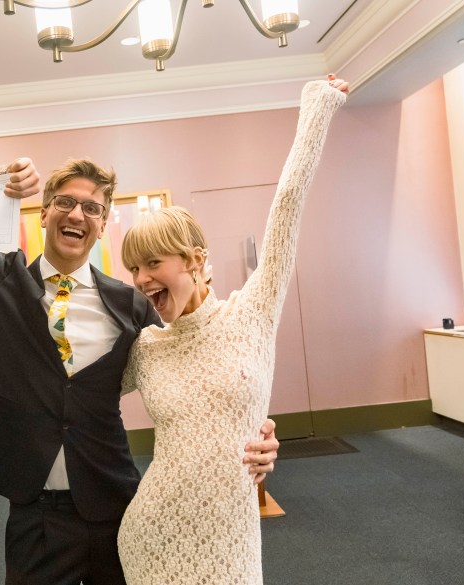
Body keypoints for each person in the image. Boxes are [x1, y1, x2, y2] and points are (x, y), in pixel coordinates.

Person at [0, 156, 280, 585]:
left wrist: (256, 432)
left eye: (92, 208)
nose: (77, 214)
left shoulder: (132, 304)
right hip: (36, 512)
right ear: (45, 211)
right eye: (65, 202)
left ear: (103, 223)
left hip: (116, 504)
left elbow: (200, 364)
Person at [116, 76, 349, 585]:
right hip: (152, 532)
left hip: (233, 538)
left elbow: (287, 203)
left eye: (152, 262)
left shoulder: (253, 313)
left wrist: (318, 106)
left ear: (197, 260)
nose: (140, 280)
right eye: (133, 268)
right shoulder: (145, 347)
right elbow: (78, 402)